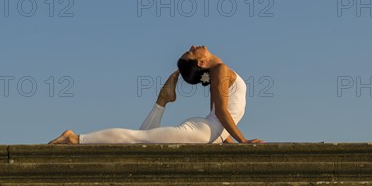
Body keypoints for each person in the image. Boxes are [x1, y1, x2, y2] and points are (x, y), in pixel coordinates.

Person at [48, 45, 264, 145]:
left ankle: (163, 100)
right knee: (137, 140)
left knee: (141, 143)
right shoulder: (220, 70)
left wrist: (231, 144)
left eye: (189, 50)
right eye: (191, 52)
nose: (192, 46)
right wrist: (243, 141)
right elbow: (223, 113)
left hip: (208, 131)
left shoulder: (220, 72)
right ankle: (76, 138)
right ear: (201, 62)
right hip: (202, 132)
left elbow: (220, 113)